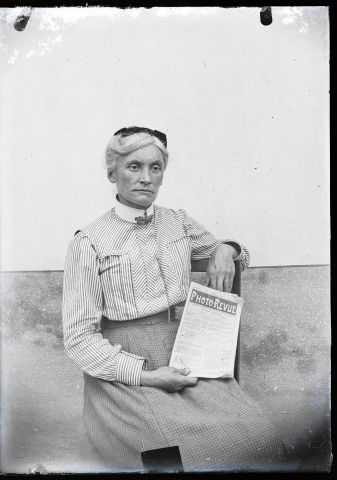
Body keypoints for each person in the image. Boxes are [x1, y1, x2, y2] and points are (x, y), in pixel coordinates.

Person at [62, 126, 285, 472]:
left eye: (155, 167)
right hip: (125, 370)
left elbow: (242, 257)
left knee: (261, 439)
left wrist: (228, 248)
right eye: (133, 167)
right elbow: (79, 339)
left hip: (184, 350)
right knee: (179, 457)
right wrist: (148, 377)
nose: (146, 178)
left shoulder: (177, 222)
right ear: (112, 172)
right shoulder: (89, 242)